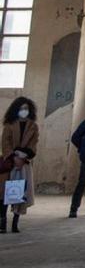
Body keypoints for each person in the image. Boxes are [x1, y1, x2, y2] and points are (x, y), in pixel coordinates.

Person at [0, 97, 40, 234]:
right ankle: (2, 222)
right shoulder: (9, 124)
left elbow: (33, 145)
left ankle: (15, 223)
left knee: (20, 193)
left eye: (26, 108)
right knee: (5, 193)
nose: (24, 111)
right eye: (22, 108)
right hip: (9, 163)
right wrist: (13, 157)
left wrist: (24, 157)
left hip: (24, 163)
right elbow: (5, 143)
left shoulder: (33, 126)